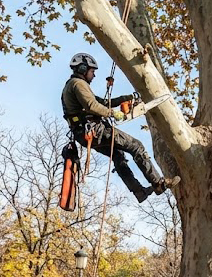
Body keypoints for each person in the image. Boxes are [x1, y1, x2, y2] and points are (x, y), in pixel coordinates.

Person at [60, 52, 178, 203]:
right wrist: (113, 114)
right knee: (136, 146)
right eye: (92, 71)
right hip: (94, 131)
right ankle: (158, 183)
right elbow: (92, 106)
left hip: (84, 134)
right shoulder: (78, 84)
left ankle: (139, 191)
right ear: (83, 69)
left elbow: (101, 102)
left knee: (118, 156)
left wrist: (128, 98)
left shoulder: (73, 86)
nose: (94, 75)